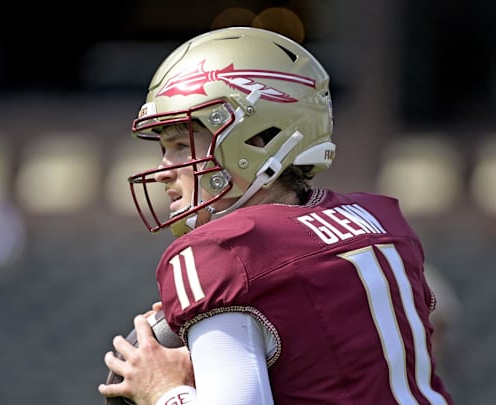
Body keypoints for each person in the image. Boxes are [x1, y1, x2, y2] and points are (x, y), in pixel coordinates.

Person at [99, 26, 454, 405]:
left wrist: (163, 390)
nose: (166, 169)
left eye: (178, 145)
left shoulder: (223, 252)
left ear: (256, 138)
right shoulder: (379, 222)